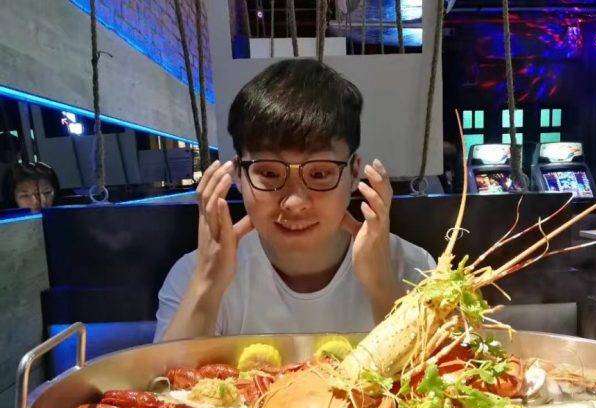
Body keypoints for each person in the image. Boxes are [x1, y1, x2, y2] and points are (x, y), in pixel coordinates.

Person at [155, 59, 435, 342]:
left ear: (353, 173)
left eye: (320, 173)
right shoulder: (193, 275)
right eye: (269, 173)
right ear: (238, 174)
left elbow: (442, 368)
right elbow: (164, 372)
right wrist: (207, 284)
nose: (294, 202)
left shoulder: (412, 267)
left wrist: (381, 283)